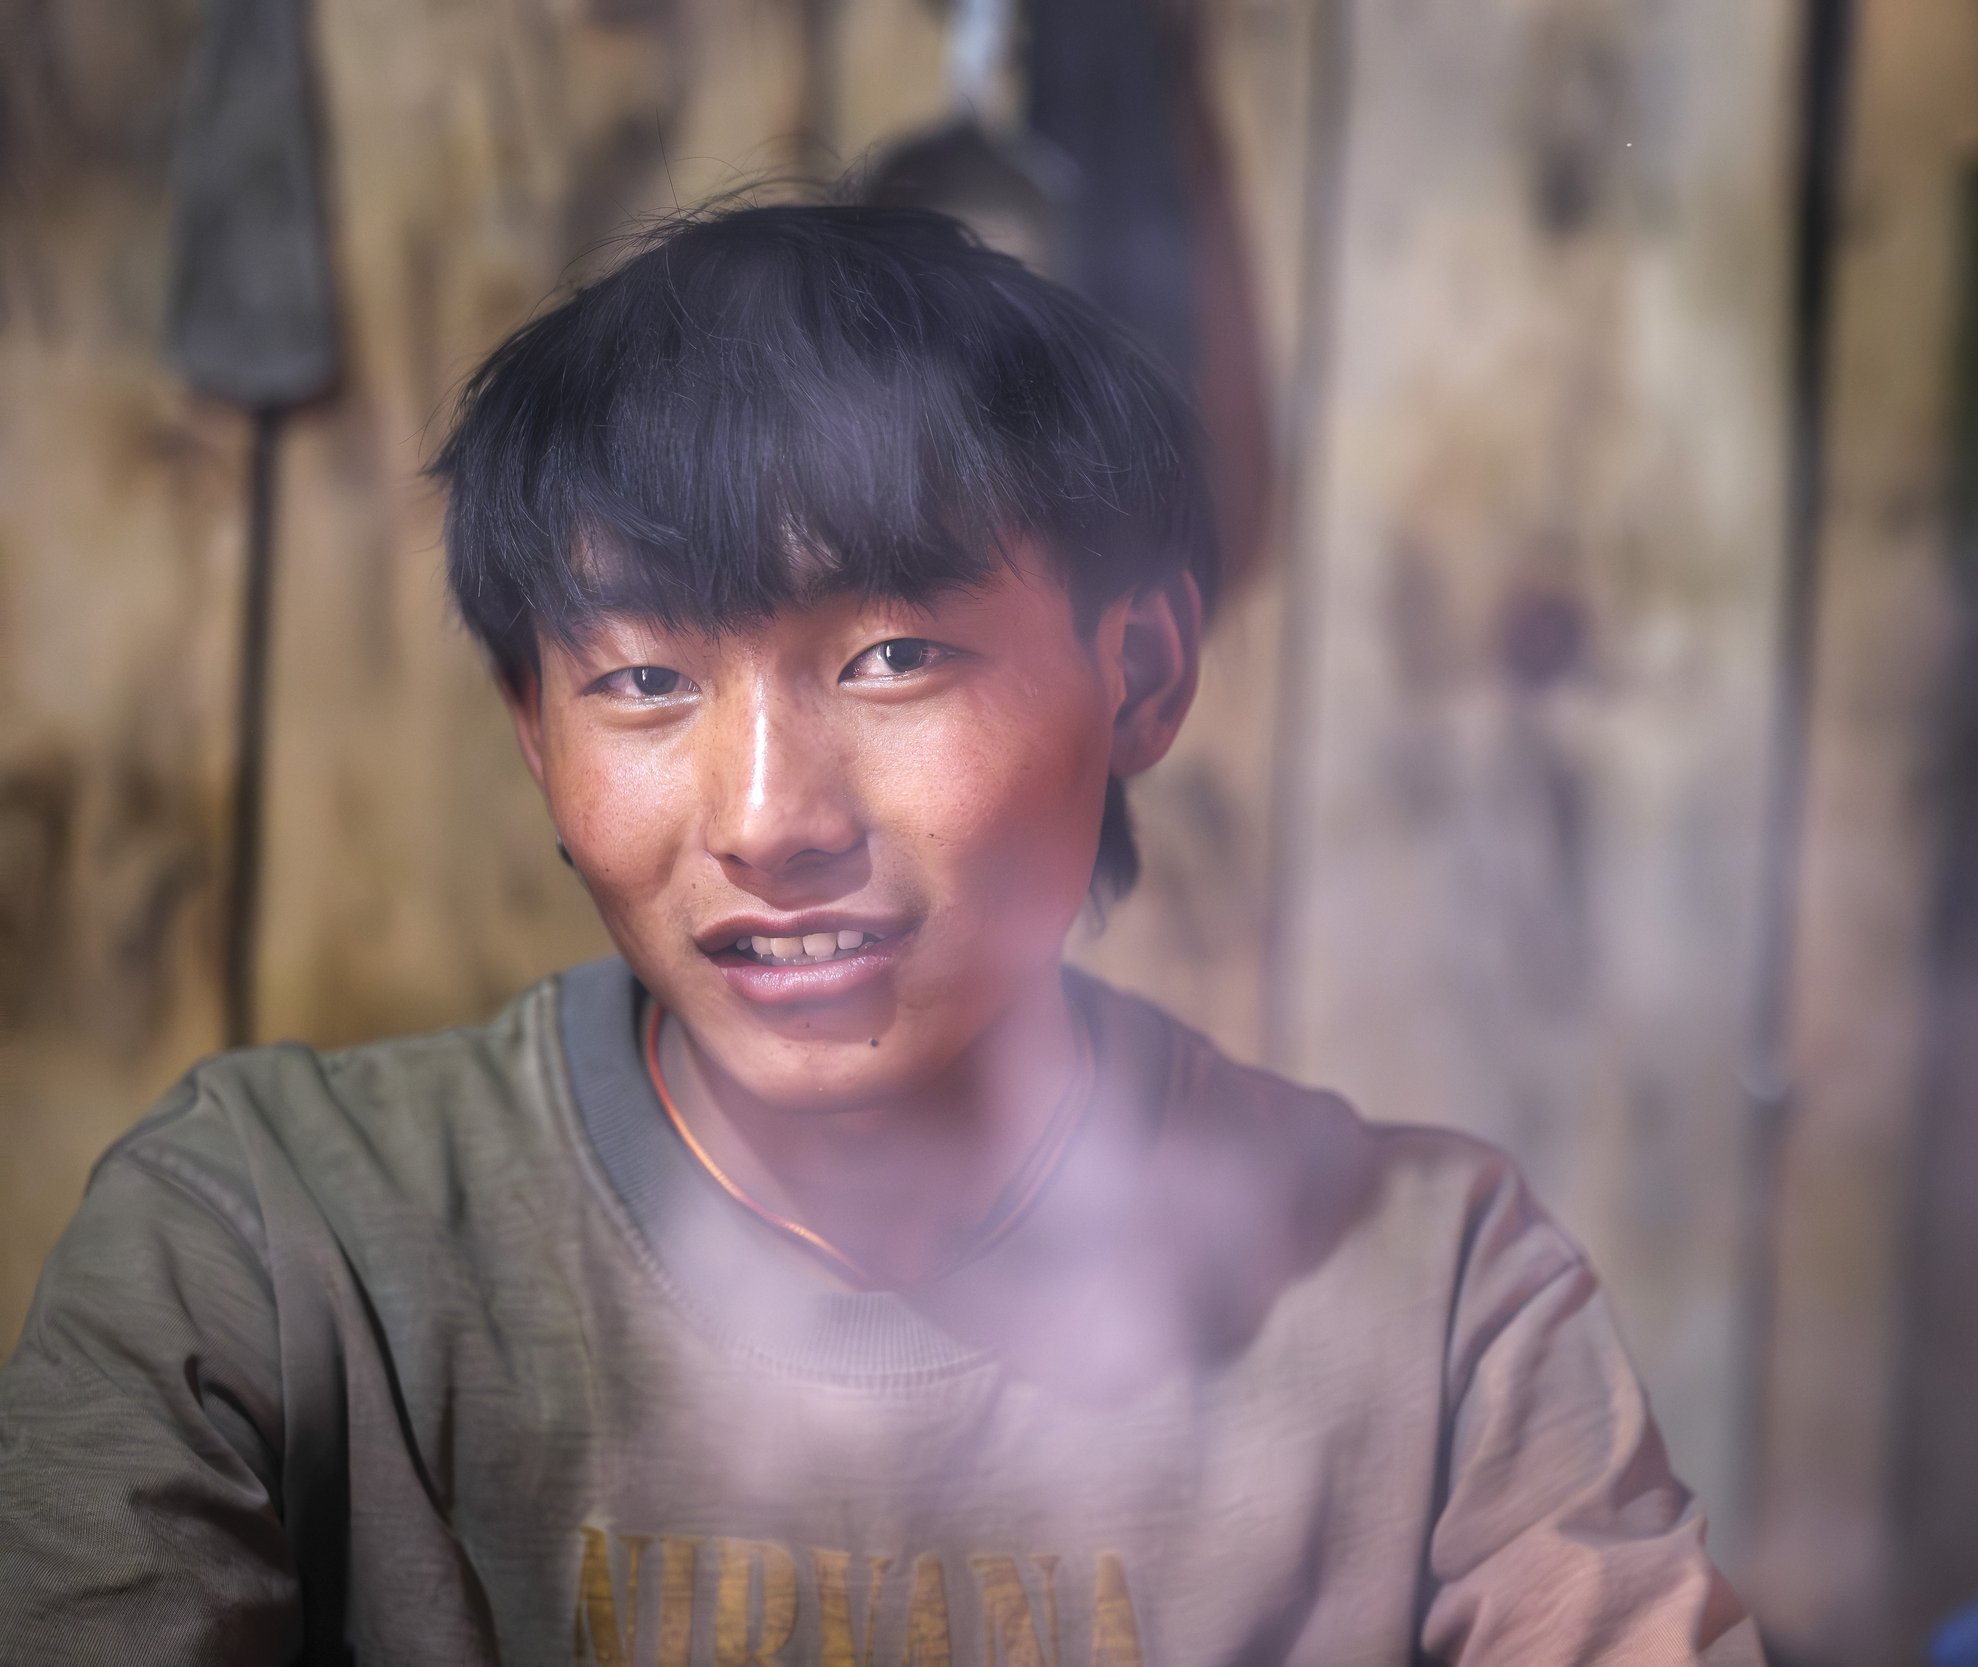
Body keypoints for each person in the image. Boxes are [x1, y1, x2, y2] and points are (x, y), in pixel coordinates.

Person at [0, 204, 1760, 1666]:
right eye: (643, 682)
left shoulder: (1433, 1302)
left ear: (1140, 674)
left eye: (894, 656)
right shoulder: (272, 1249)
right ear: (536, 739)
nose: (770, 818)